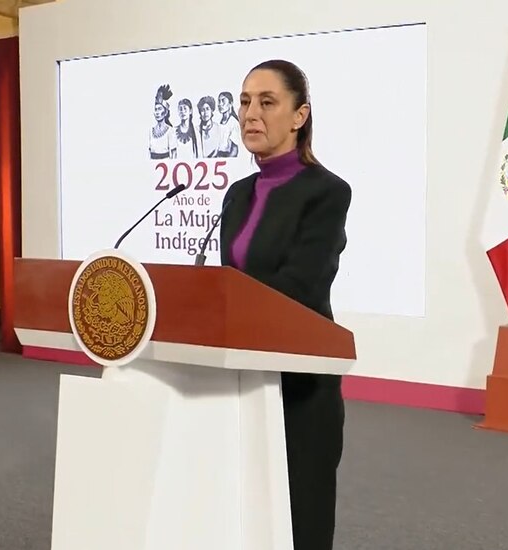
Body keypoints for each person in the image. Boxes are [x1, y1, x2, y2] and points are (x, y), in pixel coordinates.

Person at [217, 59, 351, 550]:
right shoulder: (237, 194)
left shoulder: (327, 192)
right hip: (240, 381)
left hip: (299, 385)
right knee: (245, 516)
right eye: (245, 102)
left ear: (299, 116)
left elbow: (302, 285)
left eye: (267, 102)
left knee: (301, 522)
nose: (250, 113)